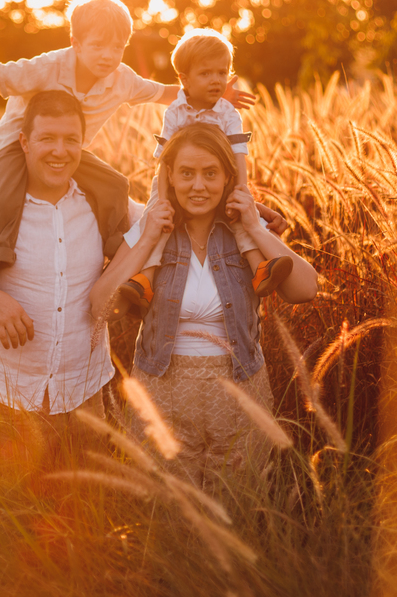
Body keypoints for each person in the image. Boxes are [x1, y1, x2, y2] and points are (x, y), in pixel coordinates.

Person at [0, 0, 255, 337]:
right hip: (15, 149)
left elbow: (164, 92)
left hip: (72, 154)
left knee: (115, 184)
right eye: (98, 45)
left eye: (117, 47)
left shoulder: (121, 80)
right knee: (4, 199)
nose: (108, 55)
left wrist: (210, 92)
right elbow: (0, 72)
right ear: (75, 41)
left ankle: (121, 266)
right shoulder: (49, 67)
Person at [90, 123, 318, 487]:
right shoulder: (151, 230)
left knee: (235, 511)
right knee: (169, 515)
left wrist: (256, 226)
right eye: (187, 173)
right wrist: (148, 237)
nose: (198, 186)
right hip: (164, 393)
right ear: (169, 177)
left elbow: (306, 289)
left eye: (210, 174)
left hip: (240, 392)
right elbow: (100, 304)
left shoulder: (244, 233)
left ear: (228, 177)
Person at [0, 90, 118, 462]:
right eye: (47, 138)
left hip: (85, 398)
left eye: (71, 140)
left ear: (83, 143)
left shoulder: (103, 202)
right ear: (24, 142)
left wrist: (254, 217)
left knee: (89, 512)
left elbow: (176, 213)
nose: (60, 151)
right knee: (4, 512)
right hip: (9, 402)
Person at [111, 28, 292, 321]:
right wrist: (162, 198)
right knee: (156, 224)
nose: (216, 80)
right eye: (206, 73)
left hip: (221, 180)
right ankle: (145, 280)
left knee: (242, 220)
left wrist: (242, 189)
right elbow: (164, 158)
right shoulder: (175, 111)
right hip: (173, 180)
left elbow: (238, 153)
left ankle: (260, 269)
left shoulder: (228, 113)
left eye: (222, 73)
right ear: (184, 79)